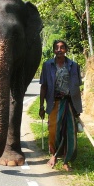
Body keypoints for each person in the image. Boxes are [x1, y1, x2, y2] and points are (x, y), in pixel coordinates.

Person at [38, 40, 83, 170]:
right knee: (53, 130)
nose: (59, 49)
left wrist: (77, 108)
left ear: (66, 50)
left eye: (62, 47)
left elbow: (76, 88)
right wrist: (41, 106)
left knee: (70, 131)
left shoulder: (74, 66)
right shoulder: (47, 65)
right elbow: (44, 87)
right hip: (54, 102)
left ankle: (66, 160)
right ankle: (53, 155)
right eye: (56, 47)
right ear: (53, 50)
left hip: (69, 102)